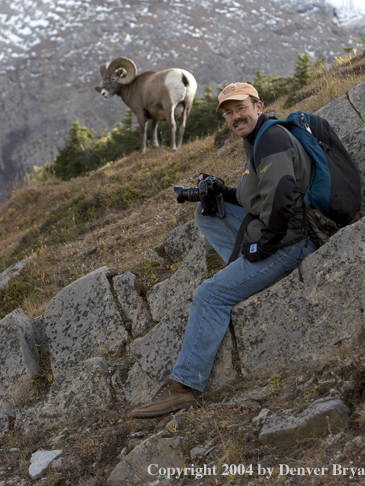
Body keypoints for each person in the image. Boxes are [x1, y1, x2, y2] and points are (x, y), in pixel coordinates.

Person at [131, 82, 318, 418]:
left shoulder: (271, 139)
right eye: (228, 113)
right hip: (281, 232)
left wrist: (265, 245)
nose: (234, 117)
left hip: (291, 243)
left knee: (209, 295)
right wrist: (222, 190)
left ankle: (184, 386)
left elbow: (284, 193)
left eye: (240, 108)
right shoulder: (259, 138)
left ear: (258, 107)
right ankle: (243, 273)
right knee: (207, 212)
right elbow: (260, 197)